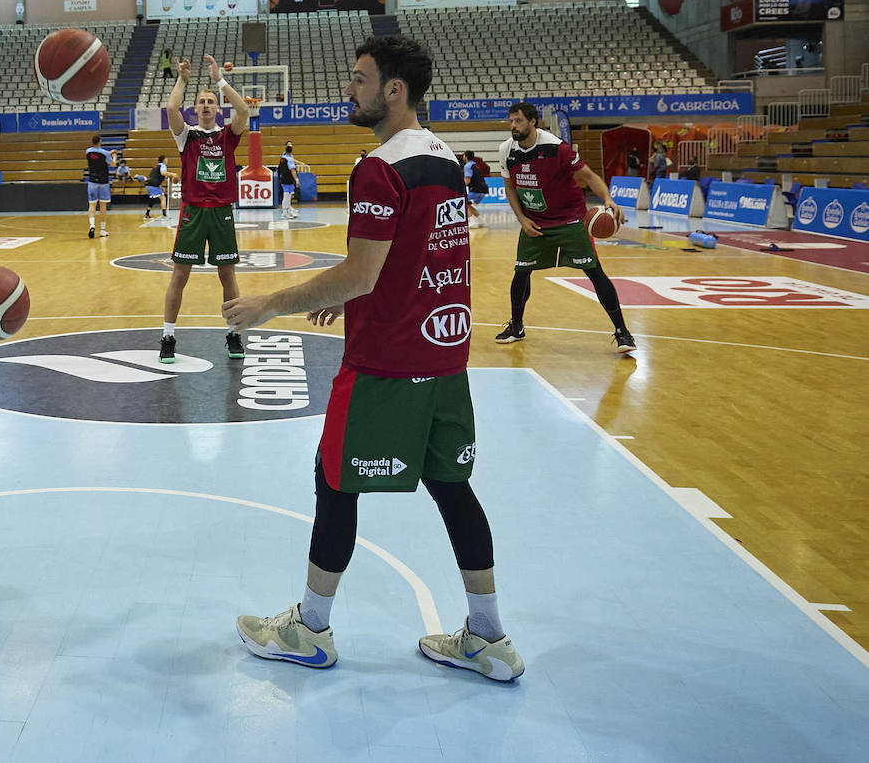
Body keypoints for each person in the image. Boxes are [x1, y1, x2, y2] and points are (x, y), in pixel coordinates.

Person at [220, 34, 524, 681]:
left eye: (359, 79)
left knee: (334, 483)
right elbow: (405, 259)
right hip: (445, 354)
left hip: (389, 360)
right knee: (452, 488)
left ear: (394, 89)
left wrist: (272, 303)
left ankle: (311, 627)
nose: (348, 89)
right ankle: (489, 637)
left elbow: (362, 273)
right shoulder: (442, 158)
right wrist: (352, 293)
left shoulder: (380, 167)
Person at [496, 102, 636, 354]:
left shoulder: (557, 148)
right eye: (510, 121)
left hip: (570, 220)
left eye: (518, 121)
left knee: (595, 272)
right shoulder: (506, 150)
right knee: (521, 272)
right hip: (535, 222)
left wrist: (608, 199)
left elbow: (590, 177)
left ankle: (622, 332)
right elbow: (510, 188)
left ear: (532, 122)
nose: (513, 126)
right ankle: (516, 326)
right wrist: (522, 219)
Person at [161, 53, 250, 363]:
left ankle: (234, 333)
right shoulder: (187, 136)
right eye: (202, 102)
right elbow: (172, 107)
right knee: (179, 275)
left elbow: (243, 109)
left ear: (217, 107)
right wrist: (183, 79)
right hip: (193, 211)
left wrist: (220, 81)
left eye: (211, 101)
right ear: (196, 108)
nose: (207, 105)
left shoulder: (228, 136)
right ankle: (168, 336)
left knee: (227, 274)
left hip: (222, 211)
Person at [84, 133, 111, 238]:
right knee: (103, 206)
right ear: (100, 141)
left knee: (92, 205)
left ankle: (92, 225)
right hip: (103, 182)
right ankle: (103, 230)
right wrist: (113, 156)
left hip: (92, 182)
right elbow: (111, 163)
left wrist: (108, 153)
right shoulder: (105, 153)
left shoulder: (88, 152)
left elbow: (97, 156)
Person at [277, 142, 306, 220]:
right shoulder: (288, 159)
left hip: (283, 178)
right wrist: (296, 179)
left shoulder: (283, 157)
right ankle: (285, 213)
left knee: (289, 195)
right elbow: (292, 170)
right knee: (286, 195)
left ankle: (287, 211)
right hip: (287, 179)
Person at [463, 150, 489, 228]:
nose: (463, 157)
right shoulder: (476, 165)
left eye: (464, 155)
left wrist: (459, 186)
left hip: (476, 189)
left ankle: (472, 222)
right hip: (483, 189)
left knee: (465, 204)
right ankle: (481, 221)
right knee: (469, 205)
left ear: (466, 157)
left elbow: (467, 180)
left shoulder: (467, 166)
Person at [144, 154, 168, 220]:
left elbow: (155, 177)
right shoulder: (163, 165)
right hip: (153, 184)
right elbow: (163, 173)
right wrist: (172, 175)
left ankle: (147, 214)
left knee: (152, 199)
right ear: (164, 160)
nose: (167, 160)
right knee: (163, 198)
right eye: (166, 159)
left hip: (148, 184)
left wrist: (161, 187)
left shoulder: (156, 166)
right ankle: (164, 215)